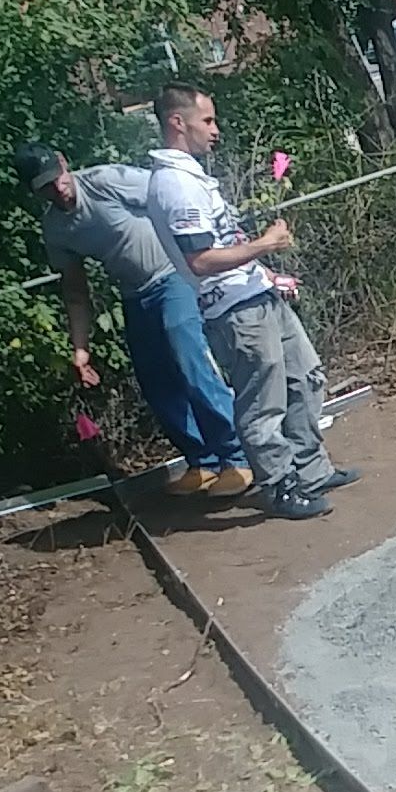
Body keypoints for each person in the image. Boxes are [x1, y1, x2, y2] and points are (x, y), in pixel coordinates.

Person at [145, 82, 359, 520]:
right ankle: (278, 487)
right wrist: (265, 244)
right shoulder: (176, 187)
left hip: (256, 294)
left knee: (306, 376)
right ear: (177, 123)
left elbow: (223, 243)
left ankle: (310, 469)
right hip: (234, 311)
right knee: (263, 401)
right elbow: (201, 259)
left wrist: (265, 273)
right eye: (207, 120)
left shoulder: (193, 178)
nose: (215, 130)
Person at [13, 142, 252, 498]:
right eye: (45, 186)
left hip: (173, 275)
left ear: (64, 163)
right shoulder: (56, 229)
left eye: (58, 178)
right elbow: (75, 290)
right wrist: (80, 349)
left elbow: (168, 195)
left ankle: (238, 457)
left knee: (191, 362)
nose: (58, 189)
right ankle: (203, 461)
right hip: (135, 294)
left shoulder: (106, 180)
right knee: (155, 379)